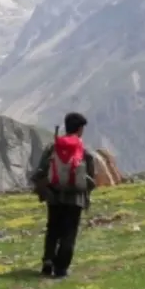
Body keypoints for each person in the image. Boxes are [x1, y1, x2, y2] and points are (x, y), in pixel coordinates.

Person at [29, 112, 97, 279]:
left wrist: (44, 188)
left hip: (54, 195)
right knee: (69, 232)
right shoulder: (84, 150)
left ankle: (48, 262)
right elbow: (90, 176)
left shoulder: (53, 147)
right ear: (80, 129)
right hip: (76, 198)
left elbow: (41, 170)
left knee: (53, 229)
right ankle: (61, 269)